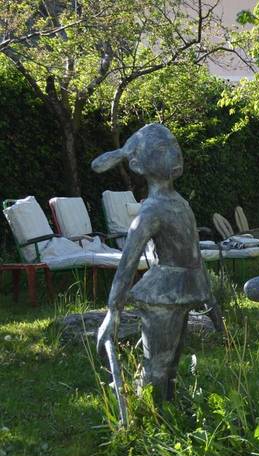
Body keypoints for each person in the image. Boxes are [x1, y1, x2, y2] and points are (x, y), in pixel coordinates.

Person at [95, 123, 219, 404]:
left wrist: (210, 299)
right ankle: (148, 413)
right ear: (138, 165)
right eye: (163, 149)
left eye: (175, 146)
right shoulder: (151, 211)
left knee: (171, 364)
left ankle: (166, 411)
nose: (175, 154)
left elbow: (194, 255)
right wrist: (112, 312)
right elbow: (128, 263)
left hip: (182, 291)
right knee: (158, 366)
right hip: (161, 297)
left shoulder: (181, 203)